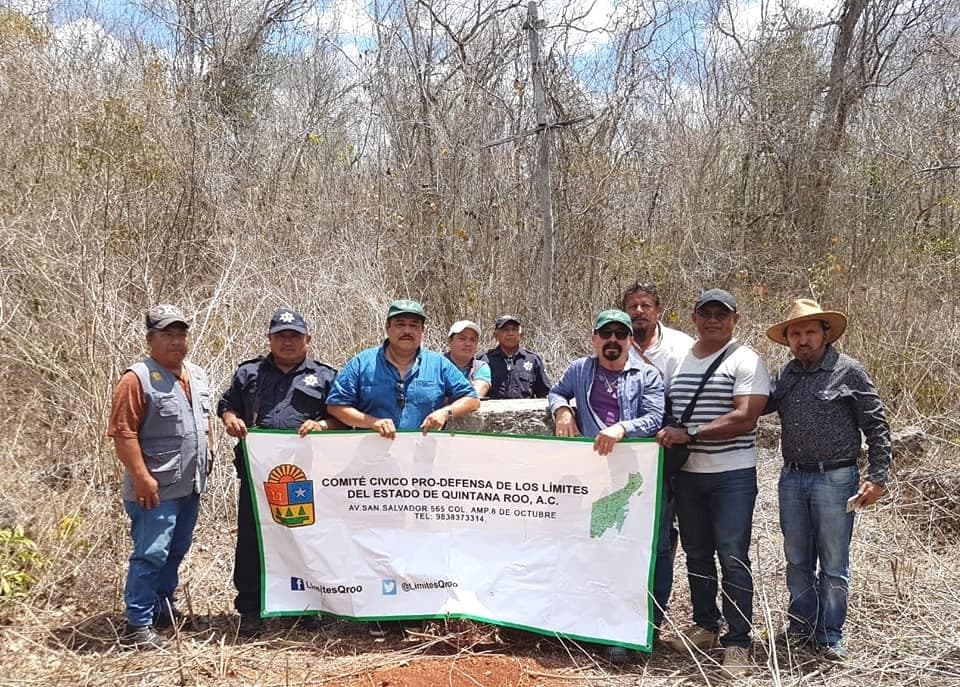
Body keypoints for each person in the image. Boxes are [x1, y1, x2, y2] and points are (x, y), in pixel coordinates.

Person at [766, 299, 891, 661]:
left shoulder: (848, 371)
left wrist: (878, 476)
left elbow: (876, 424)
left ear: (824, 333)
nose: (803, 339)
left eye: (809, 331)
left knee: (834, 562)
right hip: (792, 479)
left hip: (836, 479)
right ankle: (801, 627)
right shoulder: (785, 375)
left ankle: (830, 633)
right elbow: (757, 404)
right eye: (795, 333)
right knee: (796, 557)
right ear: (787, 339)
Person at [655, 289, 770, 677]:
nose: (713, 320)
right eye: (706, 313)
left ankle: (738, 641)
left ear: (735, 319)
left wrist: (692, 432)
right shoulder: (680, 357)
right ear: (694, 317)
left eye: (722, 314)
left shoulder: (747, 360)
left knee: (733, 556)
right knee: (697, 553)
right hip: (688, 475)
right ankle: (706, 625)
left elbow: (746, 417)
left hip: (732, 474)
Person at [548, 309, 665, 665]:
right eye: (606, 334)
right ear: (595, 338)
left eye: (620, 334)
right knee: (589, 544)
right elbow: (556, 392)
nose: (612, 340)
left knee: (627, 550)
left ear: (631, 340)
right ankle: (586, 623)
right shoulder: (579, 370)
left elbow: (656, 417)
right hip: (590, 475)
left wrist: (623, 429)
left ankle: (625, 630)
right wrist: (563, 411)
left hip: (632, 478)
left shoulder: (648, 375)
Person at [218, 309, 338, 635]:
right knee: (254, 540)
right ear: (269, 339)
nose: (288, 341)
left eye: (295, 335)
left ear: (308, 340)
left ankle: (307, 606)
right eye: (281, 335)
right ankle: (252, 608)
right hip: (259, 475)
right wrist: (230, 419)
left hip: (306, 476)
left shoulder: (326, 377)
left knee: (305, 538)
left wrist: (323, 425)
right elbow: (227, 406)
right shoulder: (249, 373)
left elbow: (341, 417)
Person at [107, 304, 213, 649]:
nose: (177, 341)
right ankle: (137, 625)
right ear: (150, 338)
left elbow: (203, 420)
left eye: (181, 334)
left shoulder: (196, 375)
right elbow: (123, 432)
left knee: (176, 549)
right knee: (150, 553)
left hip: (190, 484)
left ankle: (162, 607)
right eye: (168, 334)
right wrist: (141, 476)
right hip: (154, 488)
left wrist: (208, 450)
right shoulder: (135, 379)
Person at [620, 281, 694, 638]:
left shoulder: (681, 346)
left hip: (675, 451)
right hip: (628, 455)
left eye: (645, 305)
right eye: (633, 305)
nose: (639, 311)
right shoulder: (615, 340)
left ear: (658, 310)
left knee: (664, 536)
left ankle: (653, 618)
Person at [326, 299, 480, 438]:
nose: (407, 331)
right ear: (387, 327)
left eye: (414, 325)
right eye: (400, 324)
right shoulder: (362, 363)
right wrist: (371, 422)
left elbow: (472, 399)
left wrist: (446, 412)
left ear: (422, 331)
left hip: (423, 457)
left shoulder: (438, 364)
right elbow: (336, 406)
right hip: (372, 458)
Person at [481, 315, 551, 399]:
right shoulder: (484, 360)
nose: (510, 333)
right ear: (495, 335)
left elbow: (545, 393)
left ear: (521, 335)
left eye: (514, 329)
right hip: (492, 411)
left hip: (527, 411)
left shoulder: (533, 360)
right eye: (505, 330)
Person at [445, 320, 491, 397]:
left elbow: (475, 395)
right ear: (450, 341)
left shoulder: (481, 367)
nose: (468, 344)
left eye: (473, 340)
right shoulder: (436, 364)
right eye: (462, 338)